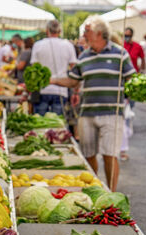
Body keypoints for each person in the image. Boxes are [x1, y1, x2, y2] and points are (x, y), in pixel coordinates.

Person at [51, 16, 135, 191]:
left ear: (99, 33)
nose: (83, 34)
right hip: (87, 113)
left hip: (112, 112)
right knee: (88, 155)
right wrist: (51, 80)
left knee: (110, 155)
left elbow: (132, 79)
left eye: (87, 30)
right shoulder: (84, 56)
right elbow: (73, 80)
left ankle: (111, 193)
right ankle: (95, 189)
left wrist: (139, 88)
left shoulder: (120, 53)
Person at [30, 20, 77, 115]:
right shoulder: (68, 45)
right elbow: (75, 70)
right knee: (58, 126)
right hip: (61, 90)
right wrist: (75, 91)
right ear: (60, 31)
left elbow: (33, 69)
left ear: (47, 30)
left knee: (40, 125)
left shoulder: (38, 45)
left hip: (42, 89)